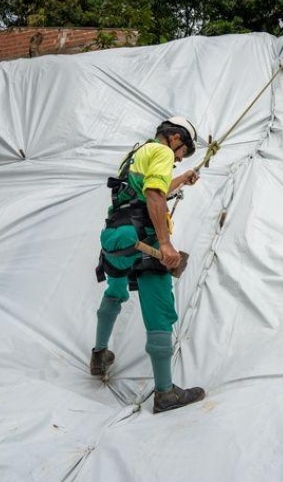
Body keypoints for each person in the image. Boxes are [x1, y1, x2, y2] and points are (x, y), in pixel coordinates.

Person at [91, 116, 206, 414]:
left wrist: (182, 179)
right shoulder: (163, 152)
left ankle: (99, 355)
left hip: (115, 238)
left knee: (115, 292)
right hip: (144, 239)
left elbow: (150, 190)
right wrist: (165, 244)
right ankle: (165, 393)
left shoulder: (136, 154)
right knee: (159, 312)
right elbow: (154, 195)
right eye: (182, 153)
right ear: (175, 138)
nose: (178, 160)